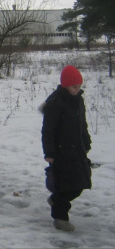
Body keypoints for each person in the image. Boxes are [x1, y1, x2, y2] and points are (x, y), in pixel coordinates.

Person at [41, 65, 92, 232]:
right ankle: (60, 218)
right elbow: (48, 130)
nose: (77, 90)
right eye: (74, 87)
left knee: (79, 184)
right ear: (65, 85)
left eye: (79, 86)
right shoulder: (56, 103)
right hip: (61, 152)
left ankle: (56, 200)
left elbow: (82, 124)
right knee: (66, 185)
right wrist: (49, 153)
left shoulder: (78, 100)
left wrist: (86, 142)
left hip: (76, 149)